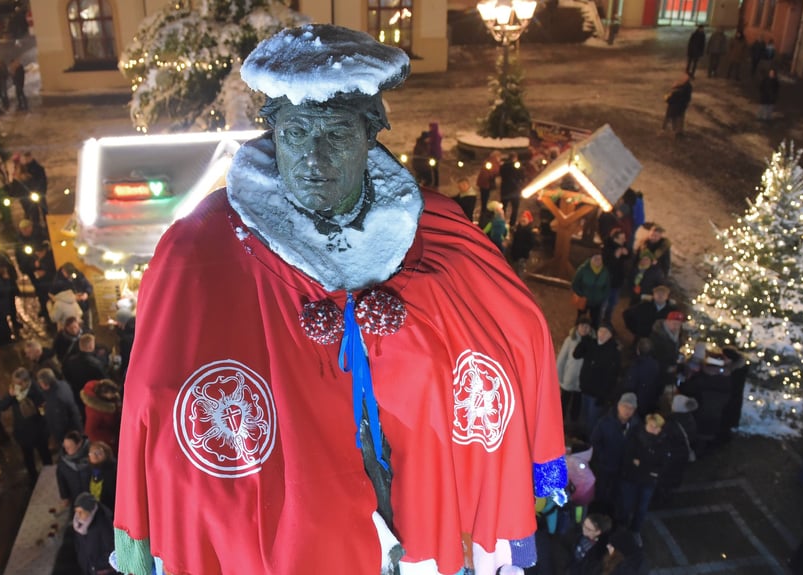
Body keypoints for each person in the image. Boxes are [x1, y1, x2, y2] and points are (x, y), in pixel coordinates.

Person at [112, 24, 567, 575]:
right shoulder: (199, 252)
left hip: (420, 528)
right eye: (296, 133)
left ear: (371, 131)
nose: (313, 157)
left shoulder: (439, 231)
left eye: (336, 134)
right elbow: (155, 403)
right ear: (271, 132)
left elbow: (515, 336)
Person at [619, 413, 669, 543]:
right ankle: (622, 529)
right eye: (651, 426)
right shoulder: (635, 437)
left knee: (642, 508)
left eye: (656, 427)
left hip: (647, 482)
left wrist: (642, 465)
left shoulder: (663, 442)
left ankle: (635, 531)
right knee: (626, 506)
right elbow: (628, 458)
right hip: (631, 478)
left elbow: (661, 466)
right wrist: (649, 469)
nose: (653, 429)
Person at [1, 368, 52, 485]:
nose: (16, 386)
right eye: (14, 383)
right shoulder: (13, 392)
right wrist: (10, 396)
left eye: (18, 384)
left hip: (38, 432)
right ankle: (33, 479)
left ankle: (50, 477)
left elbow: (44, 411)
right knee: (28, 458)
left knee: (45, 455)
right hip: (22, 433)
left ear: (26, 382)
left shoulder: (36, 391)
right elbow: (2, 406)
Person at [591, 393, 641, 509]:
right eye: (625, 406)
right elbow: (595, 441)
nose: (627, 411)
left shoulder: (636, 425)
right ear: (618, 406)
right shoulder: (605, 422)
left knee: (617, 497)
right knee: (601, 494)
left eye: (631, 408)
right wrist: (603, 456)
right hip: (605, 466)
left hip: (623, 469)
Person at [557, 316, 592, 424]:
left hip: (581, 379)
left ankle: (573, 420)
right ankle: (559, 420)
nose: (584, 329)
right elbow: (561, 359)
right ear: (577, 327)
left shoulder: (592, 342)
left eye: (587, 326)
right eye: (582, 326)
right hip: (569, 377)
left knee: (577, 402)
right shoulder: (570, 340)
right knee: (564, 400)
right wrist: (559, 376)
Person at [73, 492, 117, 574]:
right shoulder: (79, 524)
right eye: (76, 511)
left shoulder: (103, 524)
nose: (78, 515)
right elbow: (79, 545)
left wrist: (97, 565)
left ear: (89, 511)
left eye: (81, 512)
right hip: (89, 570)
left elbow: (111, 550)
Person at [36, 368, 82, 444]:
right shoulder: (63, 384)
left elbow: (60, 423)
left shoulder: (56, 400)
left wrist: (59, 438)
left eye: (40, 383)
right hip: (76, 425)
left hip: (69, 436)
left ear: (44, 384)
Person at [64, 334, 107, 409]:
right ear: (91, 346)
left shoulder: (70, 361)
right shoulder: (96, 364)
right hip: (92, 396)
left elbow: (67, 376)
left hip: (76, 394)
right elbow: (104, 380)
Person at [622, 339, 662, 418]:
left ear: (638, 350)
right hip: (650, 401)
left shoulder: (636, 366)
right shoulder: (655, 364)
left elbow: (630, 385)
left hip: (638, 402)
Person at [571, 252, 610, 329]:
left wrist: (602, 297)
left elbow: (607, 287)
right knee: (580, 318)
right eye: (596, 258)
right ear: (591, 259)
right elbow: (575, 284)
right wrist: (581, 294)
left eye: (600, 259)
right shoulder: (583, 269)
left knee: (595, 320)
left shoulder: (605, 271)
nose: (598, 261)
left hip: (597, 301)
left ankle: (593, 335)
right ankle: (577, 333)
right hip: (583, 300)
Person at [81, 379, 121, 452]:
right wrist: (112, 438)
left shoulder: (112, 400)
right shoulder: (94, 411)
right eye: (112, 393)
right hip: (111, 443)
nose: (114, 395)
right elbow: (91, 432)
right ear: (104, 394)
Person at [650, 311, 687, 390]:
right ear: (667, 322)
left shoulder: (679, 335)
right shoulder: (657, 336)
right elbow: (655, 356)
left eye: (679, 325)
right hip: (660, 373)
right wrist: (667, 367)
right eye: (674, 324)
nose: (676, 327)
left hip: (672, 371)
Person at [600, 228, 631, 325]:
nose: (624, 240)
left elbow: (629, 257)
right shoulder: (606, 248)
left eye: (624, 238)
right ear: (615, 239)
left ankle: (607, 320)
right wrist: (615, 256)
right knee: (603, 302)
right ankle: (599, 321)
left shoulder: (623, 246)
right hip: (607, 280)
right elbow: (606, 264)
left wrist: (627, 254)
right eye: (621, 238)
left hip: (617, 281)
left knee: (612, 303)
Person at [56, 430, 92, 507]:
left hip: (92, 497)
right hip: (75, 498)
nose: (66, 450)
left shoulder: (92, 456)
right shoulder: (63, 461)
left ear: (79, 444)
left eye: (69, 447)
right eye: (65, 446)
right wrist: (65, 497)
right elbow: (61, 480)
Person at [88, 440, 117, 511]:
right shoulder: (87, 470)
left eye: (98, 453)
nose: (94, 455)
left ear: (106, 453)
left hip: (111, 508)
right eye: (91, 453)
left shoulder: (113, 469)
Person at [499, 152, 524, 227]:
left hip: (505, 190)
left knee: (503, 208)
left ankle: (501, 222)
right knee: (515, 208)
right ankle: (512, 224)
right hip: (515, 190)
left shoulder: (504, 165)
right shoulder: (517, 166)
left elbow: (501, 174)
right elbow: (522, 176)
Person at [427, 122, 443, 187]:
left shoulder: (434, 135)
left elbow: (434, 146)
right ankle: (435, 183)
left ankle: (436, 183)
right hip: (436, 154)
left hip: (435, 154)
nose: (430, 128)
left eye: (431, 127)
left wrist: (429, 142)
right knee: (434, 169)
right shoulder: (436, 134)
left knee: (435, 169)